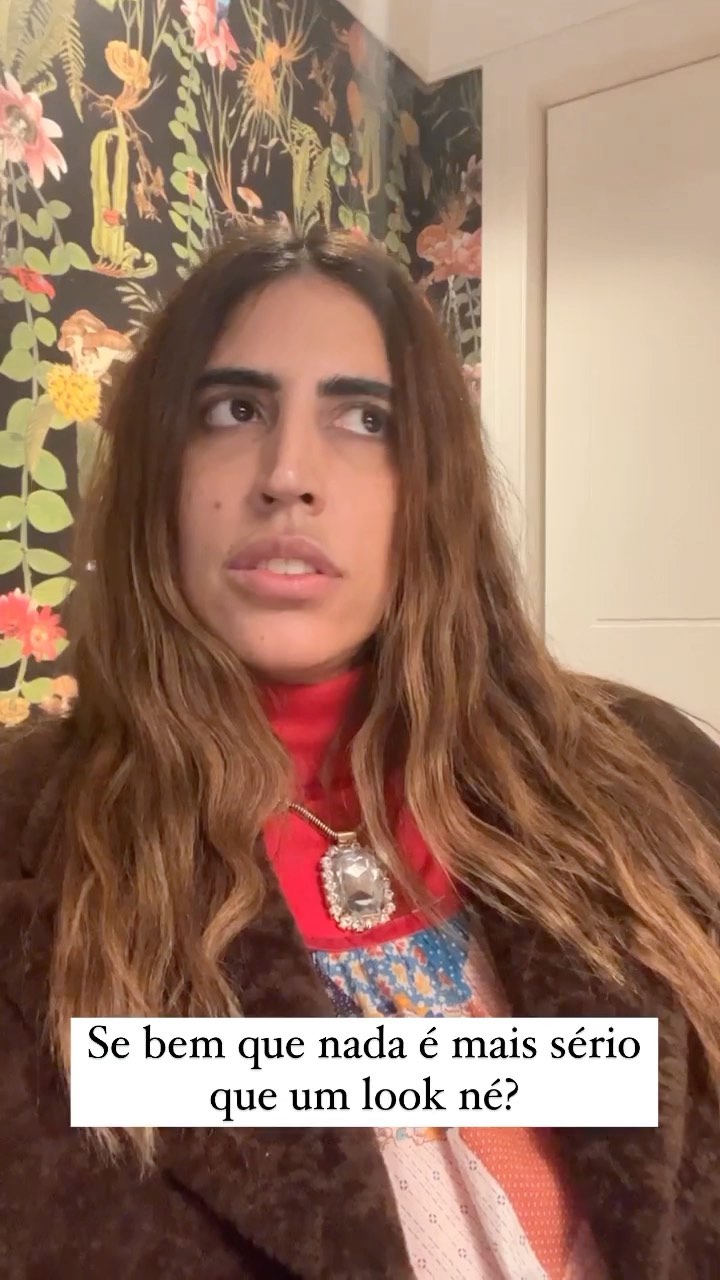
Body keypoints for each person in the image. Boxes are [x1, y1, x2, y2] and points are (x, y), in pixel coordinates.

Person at [0, 226, 719, 1280]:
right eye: (233, 410)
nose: (289, 475)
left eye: (365, 418)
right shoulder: (25, 842)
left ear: (431, 486)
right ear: (160, 470)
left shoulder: (652, 777)